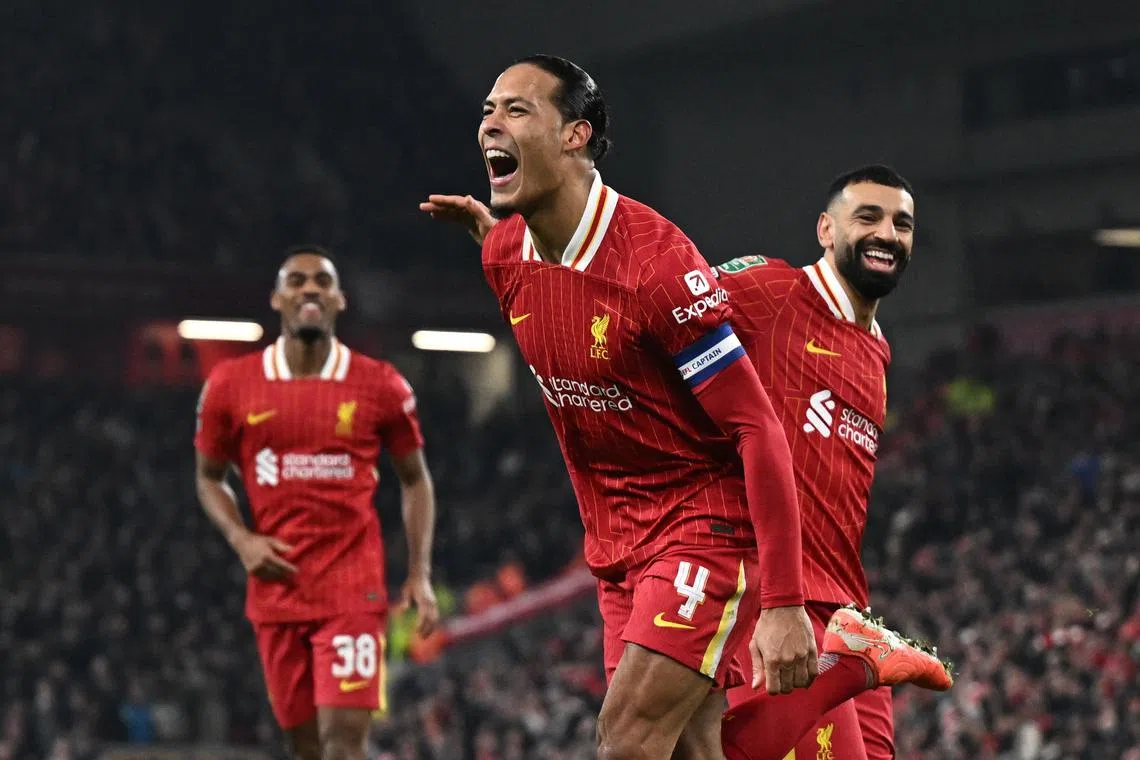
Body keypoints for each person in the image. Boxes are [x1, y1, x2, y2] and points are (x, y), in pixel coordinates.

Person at [420, 55, 948, 759]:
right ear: (827, 229)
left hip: (708, 534)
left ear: (576, 135)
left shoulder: (661, 268)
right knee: (694, 751)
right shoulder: (509, 257)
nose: (491, 121)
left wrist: (784, 600)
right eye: (488, 108)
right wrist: (491, 234)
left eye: (517, 109)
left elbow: (753, 420)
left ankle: (846, 664)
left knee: (626, 743)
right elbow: (548, 275)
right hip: (621, 547)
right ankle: (850, 664)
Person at [717, 165, 933, 760]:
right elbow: (662, 306)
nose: (887, 234)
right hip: (775, 602)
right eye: (868, 217)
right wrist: (544, 254)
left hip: (847, 614)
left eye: (902, 224)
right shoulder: (771, 291)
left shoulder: (877, 349)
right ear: (825, 229)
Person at [193, 247, 439, 760]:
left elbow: (415, 479)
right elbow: (208, 477)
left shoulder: (381, 385)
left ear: (340, 300)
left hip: (353, 588)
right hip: (277, 592)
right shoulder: (230, 386)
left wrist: (419, 573)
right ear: (276, 298)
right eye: (297, 280)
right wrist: (241, 539)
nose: (310, 289)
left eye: (323, 281)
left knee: (342, 743)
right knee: (304, 747)